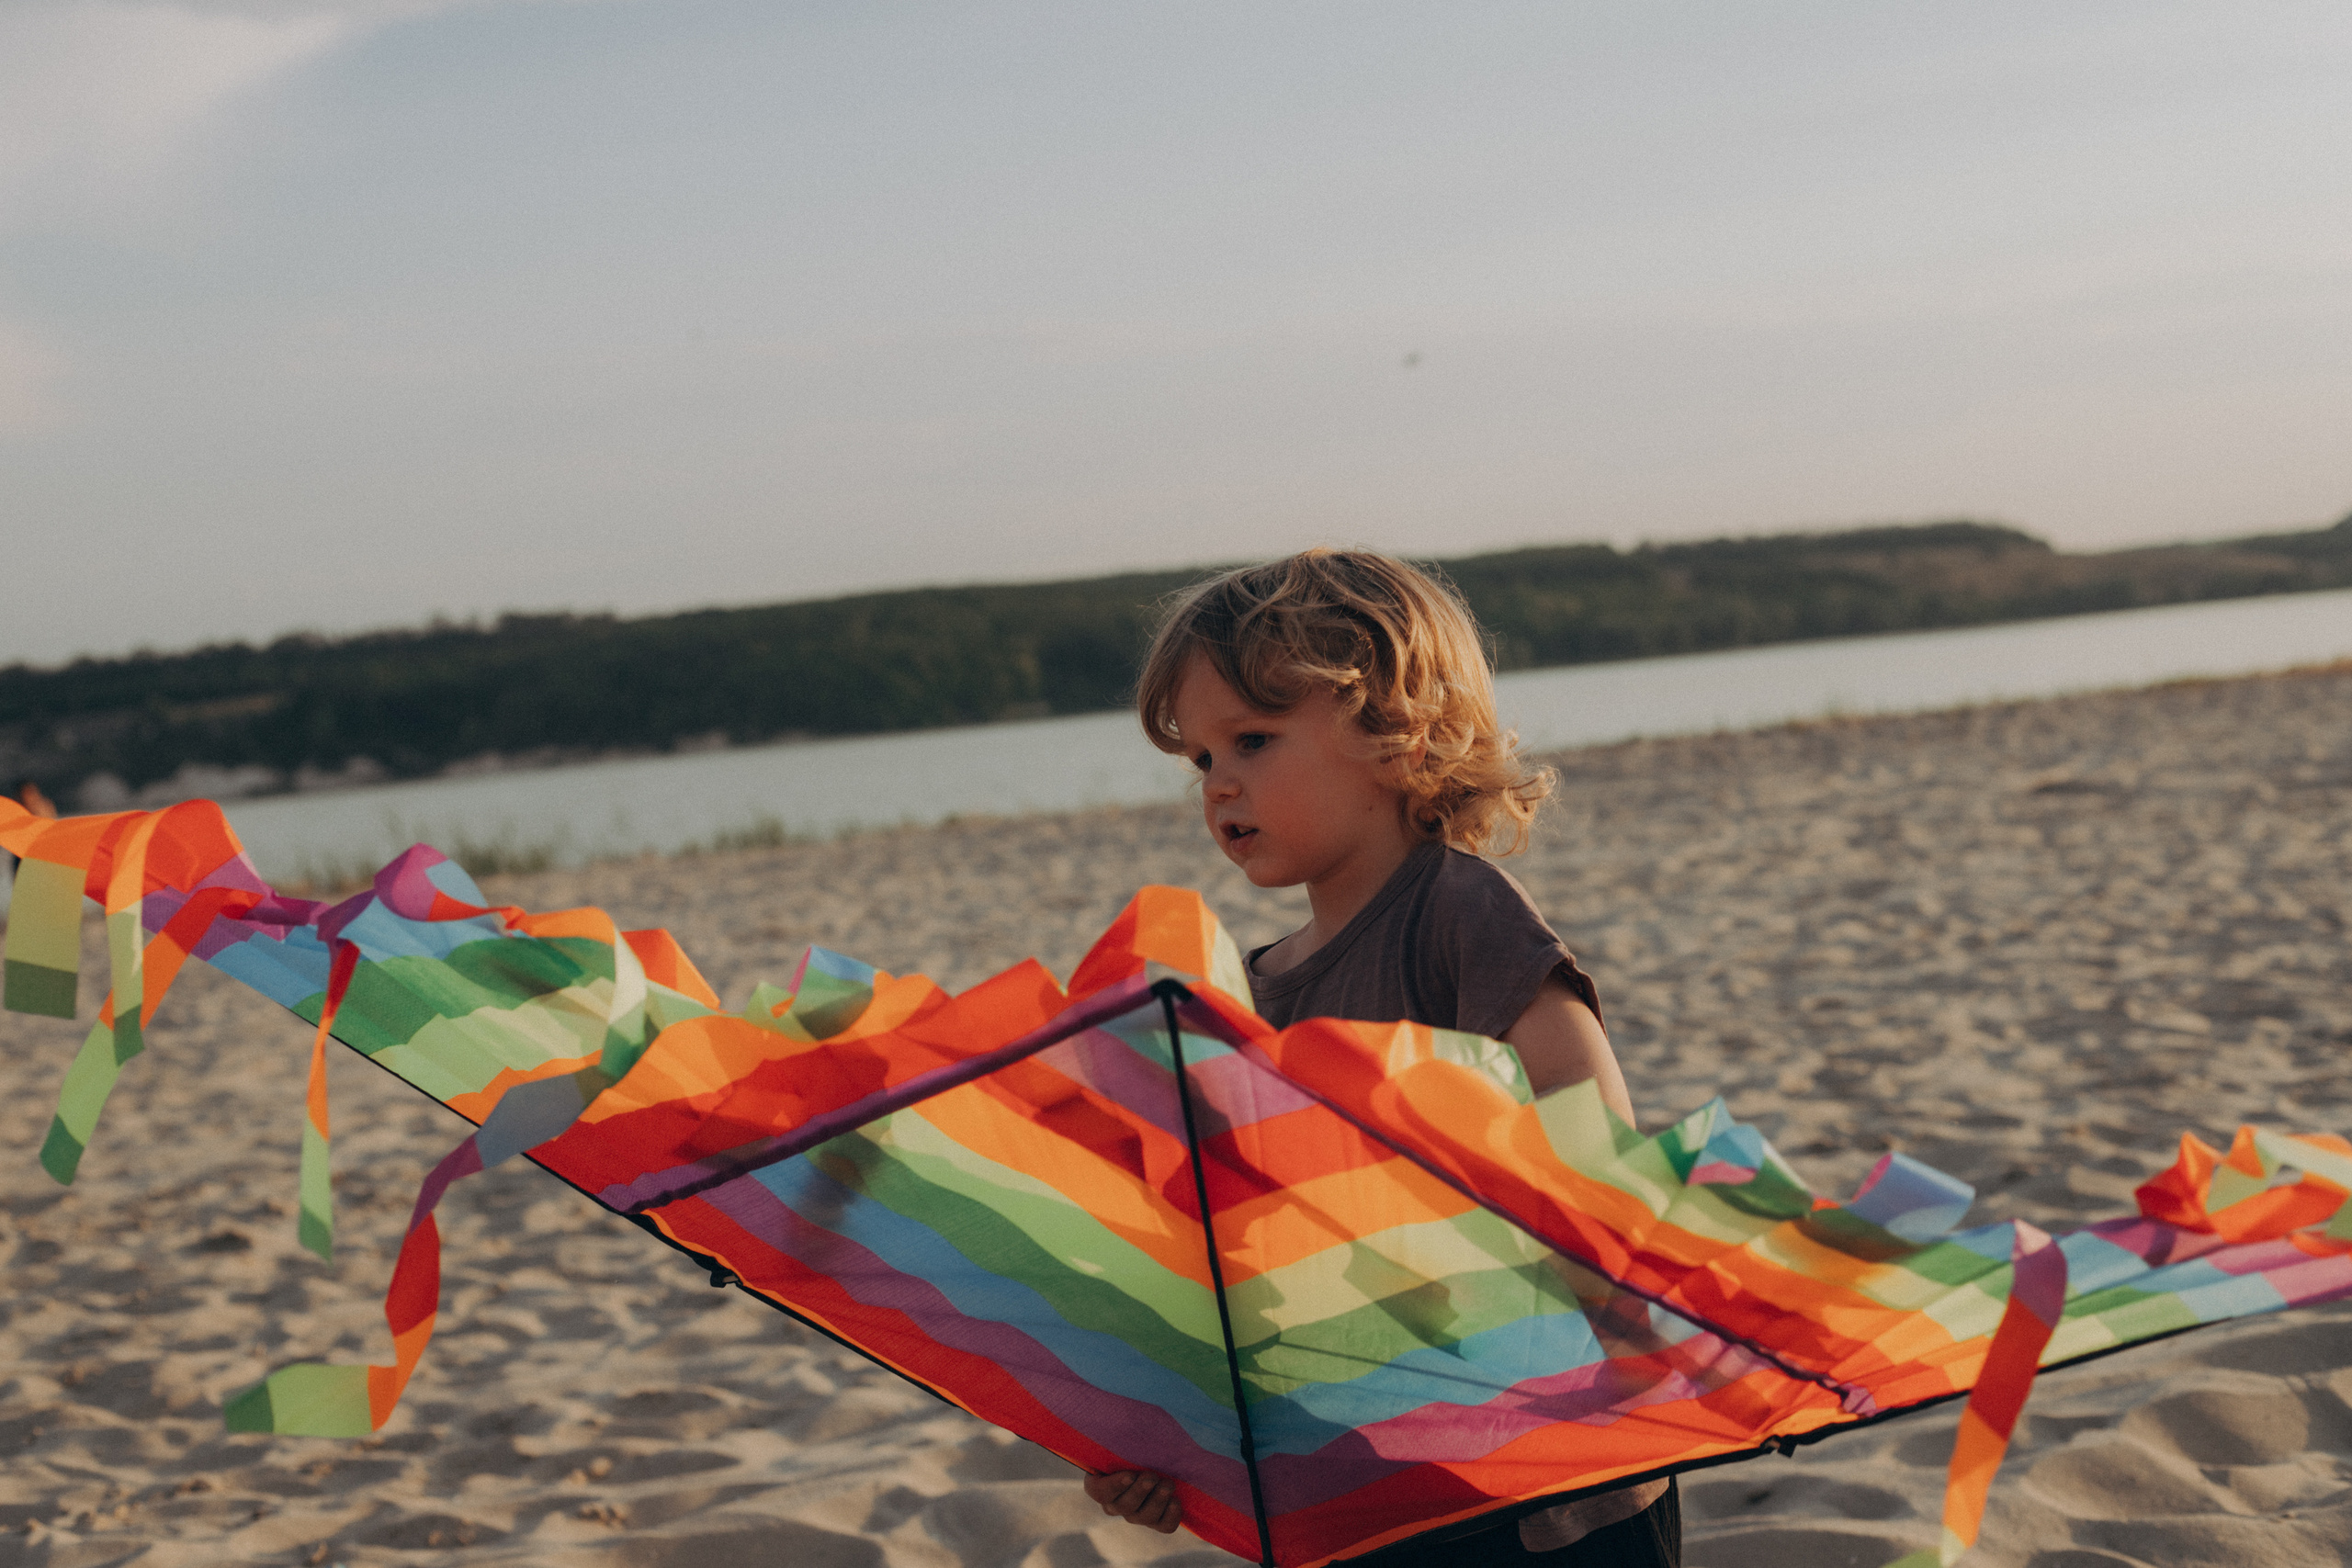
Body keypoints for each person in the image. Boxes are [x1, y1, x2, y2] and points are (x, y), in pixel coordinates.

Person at [1081, 549, 1679, 1565]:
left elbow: (1588, 1123)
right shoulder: (1255, 989)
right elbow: (1230, 1254)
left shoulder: (1455, 915)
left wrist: (1605, 1272)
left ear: (1401, 736)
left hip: (1541, 1486)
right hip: (1368, 1476)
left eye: (1253, 741)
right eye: (1200, 760)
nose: (1219, 784)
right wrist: (1158, 1438)